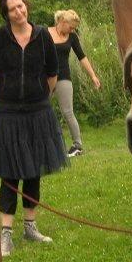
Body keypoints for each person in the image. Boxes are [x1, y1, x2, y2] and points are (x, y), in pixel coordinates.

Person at [0, 0, 68, 256]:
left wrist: (40, 97)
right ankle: (6, 234)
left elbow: (52, 74)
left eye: (21, 6)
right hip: (7, 115)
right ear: (5, 14)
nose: (19, 12)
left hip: (37, 112)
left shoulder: (42, 36)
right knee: (9, 172)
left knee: (33, 170)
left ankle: (30, 226)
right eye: (12, 9)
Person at [48, 9, 101, 157]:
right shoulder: (45, 33)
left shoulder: (72, 37)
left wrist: (93, 76)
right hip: (45, 78)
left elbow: (82, 57)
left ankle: (77, 146)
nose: (72, 30)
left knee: (68, 112)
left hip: (63, 78)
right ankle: (44, 145)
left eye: (74, 28)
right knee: (40, 111)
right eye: (71, 27)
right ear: (62, 22)